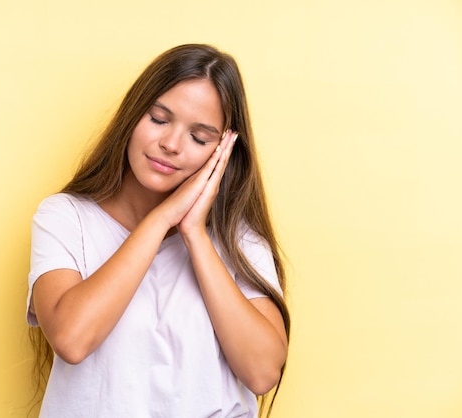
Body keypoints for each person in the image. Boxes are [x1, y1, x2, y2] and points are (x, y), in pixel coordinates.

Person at [26, 43, 290, 418]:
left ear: (224, 150)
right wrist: (161, 219)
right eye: (158, 119)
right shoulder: (65, 218)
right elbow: (72, 339)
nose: (170, 144)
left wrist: (195, 235)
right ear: (132, 116)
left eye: (199, 138)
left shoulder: (239, 240)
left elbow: (262, 372)